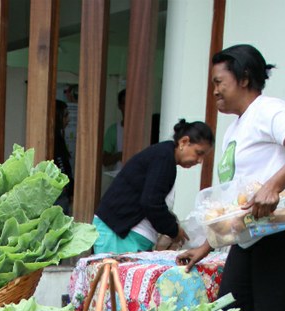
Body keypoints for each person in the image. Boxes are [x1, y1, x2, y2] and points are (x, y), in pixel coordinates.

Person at [177, 44, 285, 311]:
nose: (215, 91)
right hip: (252, 234)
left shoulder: (268, 110)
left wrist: (273, 186)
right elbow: (236, 201)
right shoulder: (234, 129)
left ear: (244, 78)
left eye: (219, 82)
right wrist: (206, 245)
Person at [93, 119, 214, 254]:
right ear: (183, 142)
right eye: (199, 153)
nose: (200, 161)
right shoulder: (164, 157)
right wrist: (174, 230)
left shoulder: (164, 156)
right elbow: (151, 202)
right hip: (119, 233)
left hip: (125, 232)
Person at [53, 99, 74, 215]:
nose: (68, 119)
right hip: (58, 193)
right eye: (65, 115)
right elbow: (62, 168)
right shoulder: (54, 140)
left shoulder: (58, 138)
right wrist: (69, 189)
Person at [102, 88, 126, 173]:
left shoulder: (145, 130)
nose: (128, 106)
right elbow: (105, 161)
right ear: (119, 106)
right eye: (124, 103)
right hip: (120, 177)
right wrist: (120, 155)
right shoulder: (113, 130)